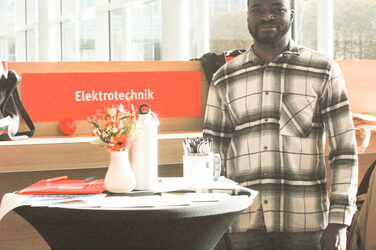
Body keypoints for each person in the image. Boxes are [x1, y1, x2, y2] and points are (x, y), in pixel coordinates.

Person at [203, 0, 358, 249]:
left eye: (277, 9)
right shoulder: (224, 78)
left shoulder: (323, 70)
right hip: (243, 223)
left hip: (305, 225)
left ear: (292, 15)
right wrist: (215, 222)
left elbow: (345, 151)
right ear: (248, 17)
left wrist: (339, 222)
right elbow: (212, 157)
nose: (267, 17)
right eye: (258, 10)